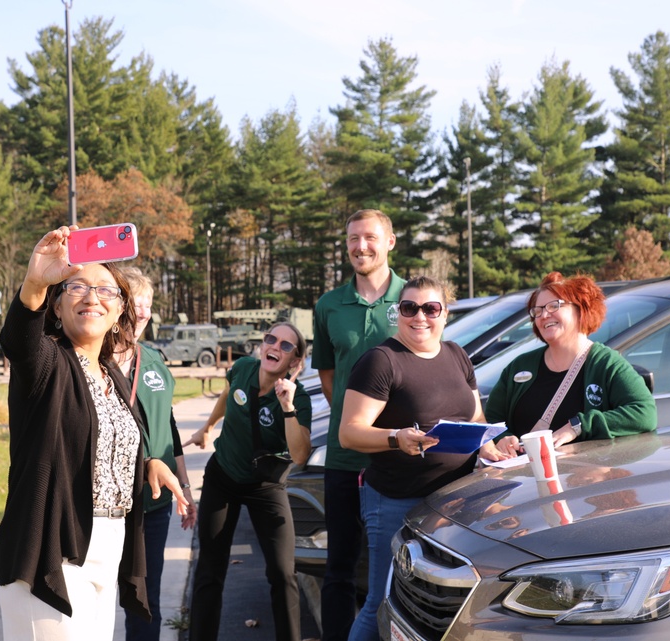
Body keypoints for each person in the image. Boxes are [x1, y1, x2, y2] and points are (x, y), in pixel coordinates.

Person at [0, 226, 189, 641]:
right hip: (53, 545)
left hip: (108, 542)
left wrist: (150, 461)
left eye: (106, 290)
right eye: (77, 286)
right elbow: (19, 339)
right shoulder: (48, 363)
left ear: (120, 311)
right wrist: (35, 281)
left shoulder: (112, 376)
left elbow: (98, 441)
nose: (91, 296)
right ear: (58, 306)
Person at [339, 275, 492, 641]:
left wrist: (488, 446)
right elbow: (349, 432)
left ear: (445, 314)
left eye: (430, 308)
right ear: (398, 313)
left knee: (436, 604)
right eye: (409, 308)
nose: (419, 316)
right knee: (384, 599)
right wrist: (396, 438)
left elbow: (476, 419)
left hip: (455, 501)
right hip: (396, 500)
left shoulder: (456, 354)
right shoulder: (382, 361)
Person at [183, 322, 313, 641]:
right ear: (262, 345)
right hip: (222, 478)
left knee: (283, 574)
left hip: (265, 489)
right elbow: (229, 394)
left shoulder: (300, 400)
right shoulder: (242, 368)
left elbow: (299, 455)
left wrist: (287, 407)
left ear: (295, 361)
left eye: (286, 346)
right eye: (271, 339)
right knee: (209, 572)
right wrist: (208, 426)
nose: (275, 346)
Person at [311, 208, 406, 641]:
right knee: (340, 567)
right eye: (352, 238)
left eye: (369, 237)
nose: (360, 246)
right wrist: (356, 423)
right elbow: (329, 377)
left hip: (403, 456)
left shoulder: (413, 299)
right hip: (345, 458)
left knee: (401, 566)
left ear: (390, 241)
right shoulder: (328, 305)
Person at [481, 271, 657, 461]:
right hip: (525, 482)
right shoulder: (519, 366)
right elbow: (491, 422)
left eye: (553, 306)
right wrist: (500, 439)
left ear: (581, 310)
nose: (543, 315)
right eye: (537, 311)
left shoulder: (605, 363)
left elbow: (645, 413)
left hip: (583, 481)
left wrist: (579, 425)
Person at [117, 266, 197, 641]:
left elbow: (170, 428)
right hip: (108, 508)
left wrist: (185, 485)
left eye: (149, 305)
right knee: (96, 601)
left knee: (146, 603)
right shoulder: (92, 360)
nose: (144, 313)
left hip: (154, 507)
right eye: (136, 303)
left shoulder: (154, 360)